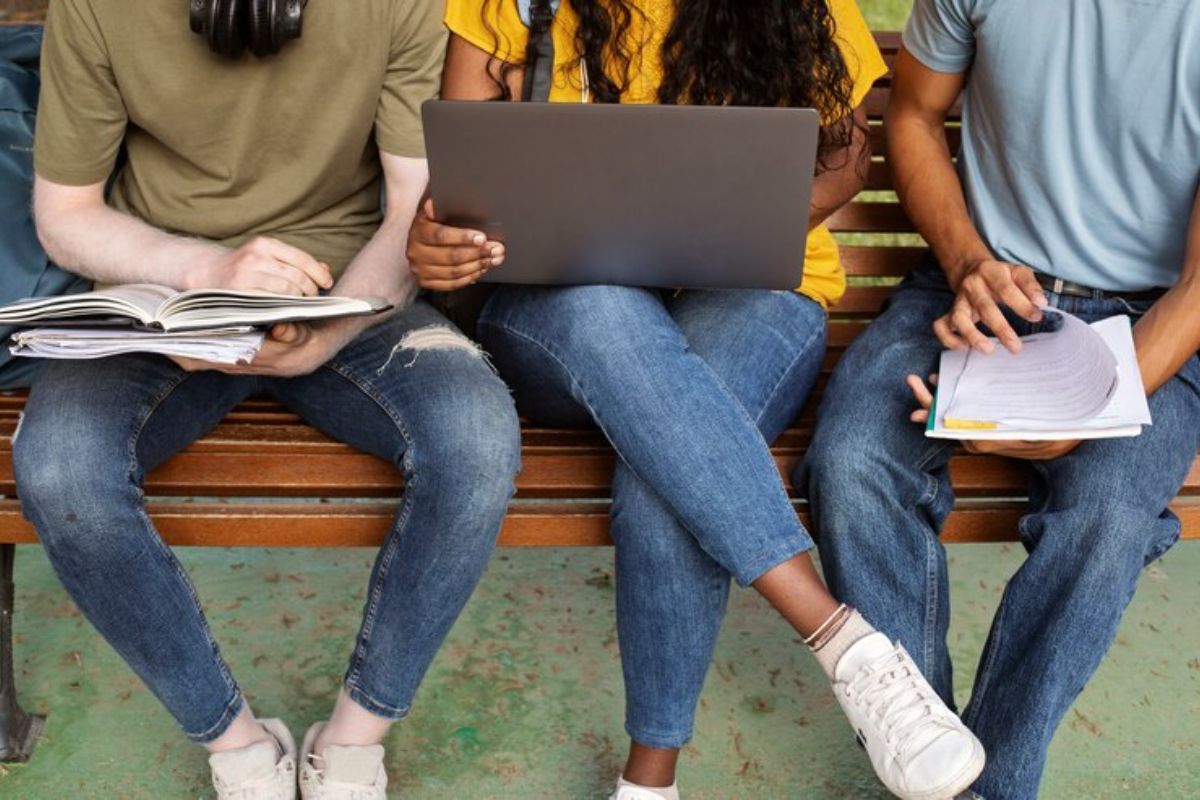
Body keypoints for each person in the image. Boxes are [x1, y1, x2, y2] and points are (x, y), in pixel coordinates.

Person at [407, 2, 985, 798]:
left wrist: (718, 230)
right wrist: (435, 242)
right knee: (609, 312)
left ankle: (649, 783)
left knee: (666, 474)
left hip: (752, 291)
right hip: (569, 314)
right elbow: (460, 188)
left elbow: (844, 162)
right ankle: (845, 642)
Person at [15, 1, 521, 798]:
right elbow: (66, 213)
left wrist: (330, 331)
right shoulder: (95, 7)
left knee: (478, 442)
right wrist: (202, 275)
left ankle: (353, 740)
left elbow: (411, 209)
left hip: (349, 290)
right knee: (57, 467)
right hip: (169, 296)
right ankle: (238, 745)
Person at [804, 1, 1200, 798]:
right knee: (851, 463)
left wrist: (1086, 408)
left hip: (1152, 315)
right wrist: (968, 263)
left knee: (1106, 519)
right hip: (975, 289)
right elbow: (913, 112)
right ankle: (929, 762)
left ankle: (984, 787)